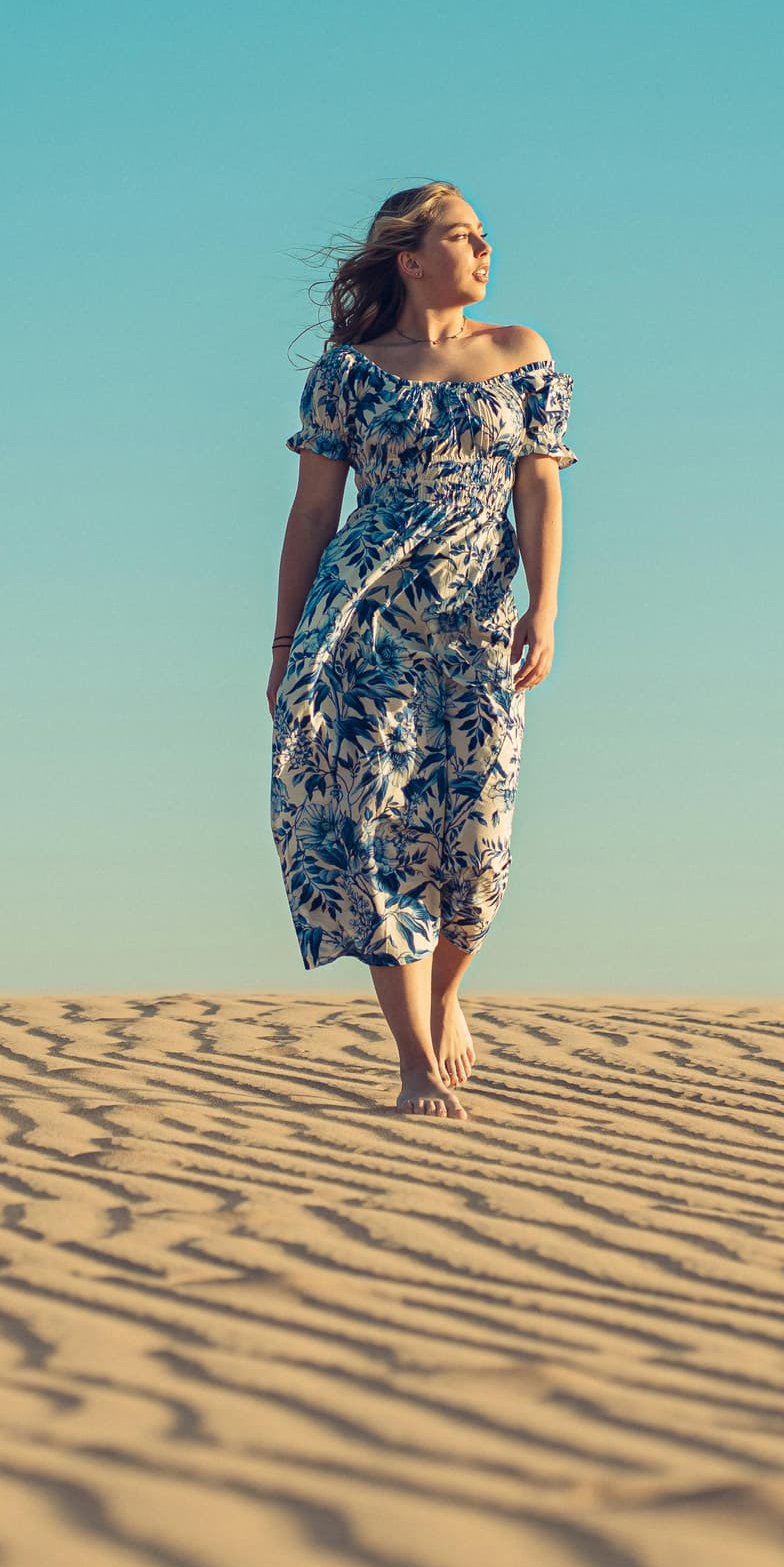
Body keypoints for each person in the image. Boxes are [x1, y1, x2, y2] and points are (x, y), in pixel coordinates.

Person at [267, 182, 571, 1121]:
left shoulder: (521, 353)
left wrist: (545, 606)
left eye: (484, 235)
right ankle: (414, 1063)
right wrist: (285, 642)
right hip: (366, 623)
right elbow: (314, 513)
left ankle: (445, 993)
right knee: (375, 827)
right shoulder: (349, 373)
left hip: (479, 625)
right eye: (464, 235)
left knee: (479, 844)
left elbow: (538, 489)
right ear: (411, 258)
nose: (485, 248)